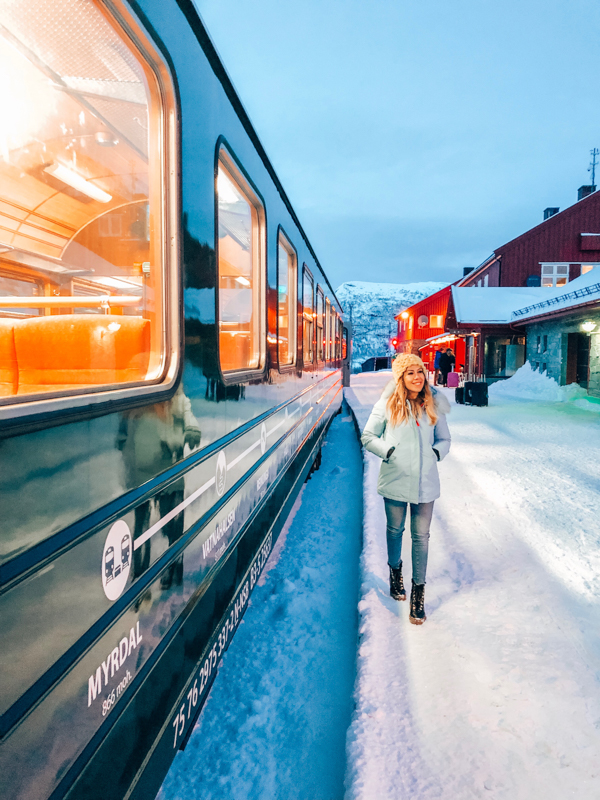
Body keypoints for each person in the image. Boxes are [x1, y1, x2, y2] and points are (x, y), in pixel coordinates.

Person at [361, 353, 451, 624]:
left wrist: (435, 453)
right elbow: (368, 436)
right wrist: (388, 451)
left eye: (420, 371)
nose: (417, 377)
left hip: (426, 483)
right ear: (401, 377)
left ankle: (418, 593)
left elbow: (444, 439)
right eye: (410, 372)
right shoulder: (388, 405)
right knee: (395, 530)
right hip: (396, 479)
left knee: (421, 537)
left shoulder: (433, 405)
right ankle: (395, 572)